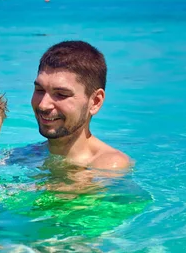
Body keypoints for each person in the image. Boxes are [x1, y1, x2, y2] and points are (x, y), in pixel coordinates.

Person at [31, 40, 130, 170]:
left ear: (95, 102)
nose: (43, 105)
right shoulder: (25, 155)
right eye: (40, 90)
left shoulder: (108, 166)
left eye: (61, 94)